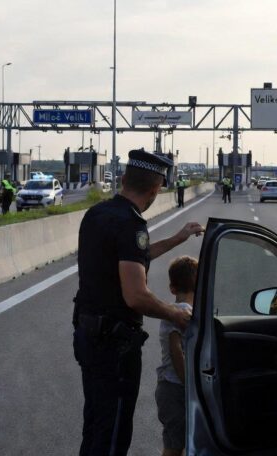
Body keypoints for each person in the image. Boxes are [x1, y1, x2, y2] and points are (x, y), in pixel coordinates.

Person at [73, 148, 204, 456]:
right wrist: (174, 313)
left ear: (123, 179)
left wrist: (177, 238)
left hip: (88, 337)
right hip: (114, 347)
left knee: (95, 425)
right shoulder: (131, 224)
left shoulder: (98, 214)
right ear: (157, 187)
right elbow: (136, 295)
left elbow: (131, 258)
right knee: (113, 434)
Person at [155, 256, 198, 456]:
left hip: (171, 387)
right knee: (174, 446)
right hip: (175, 389)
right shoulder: (182, 313)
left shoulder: (178, 311)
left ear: (172, 288)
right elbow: (177, 352)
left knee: (177, 442)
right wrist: (188, 384)